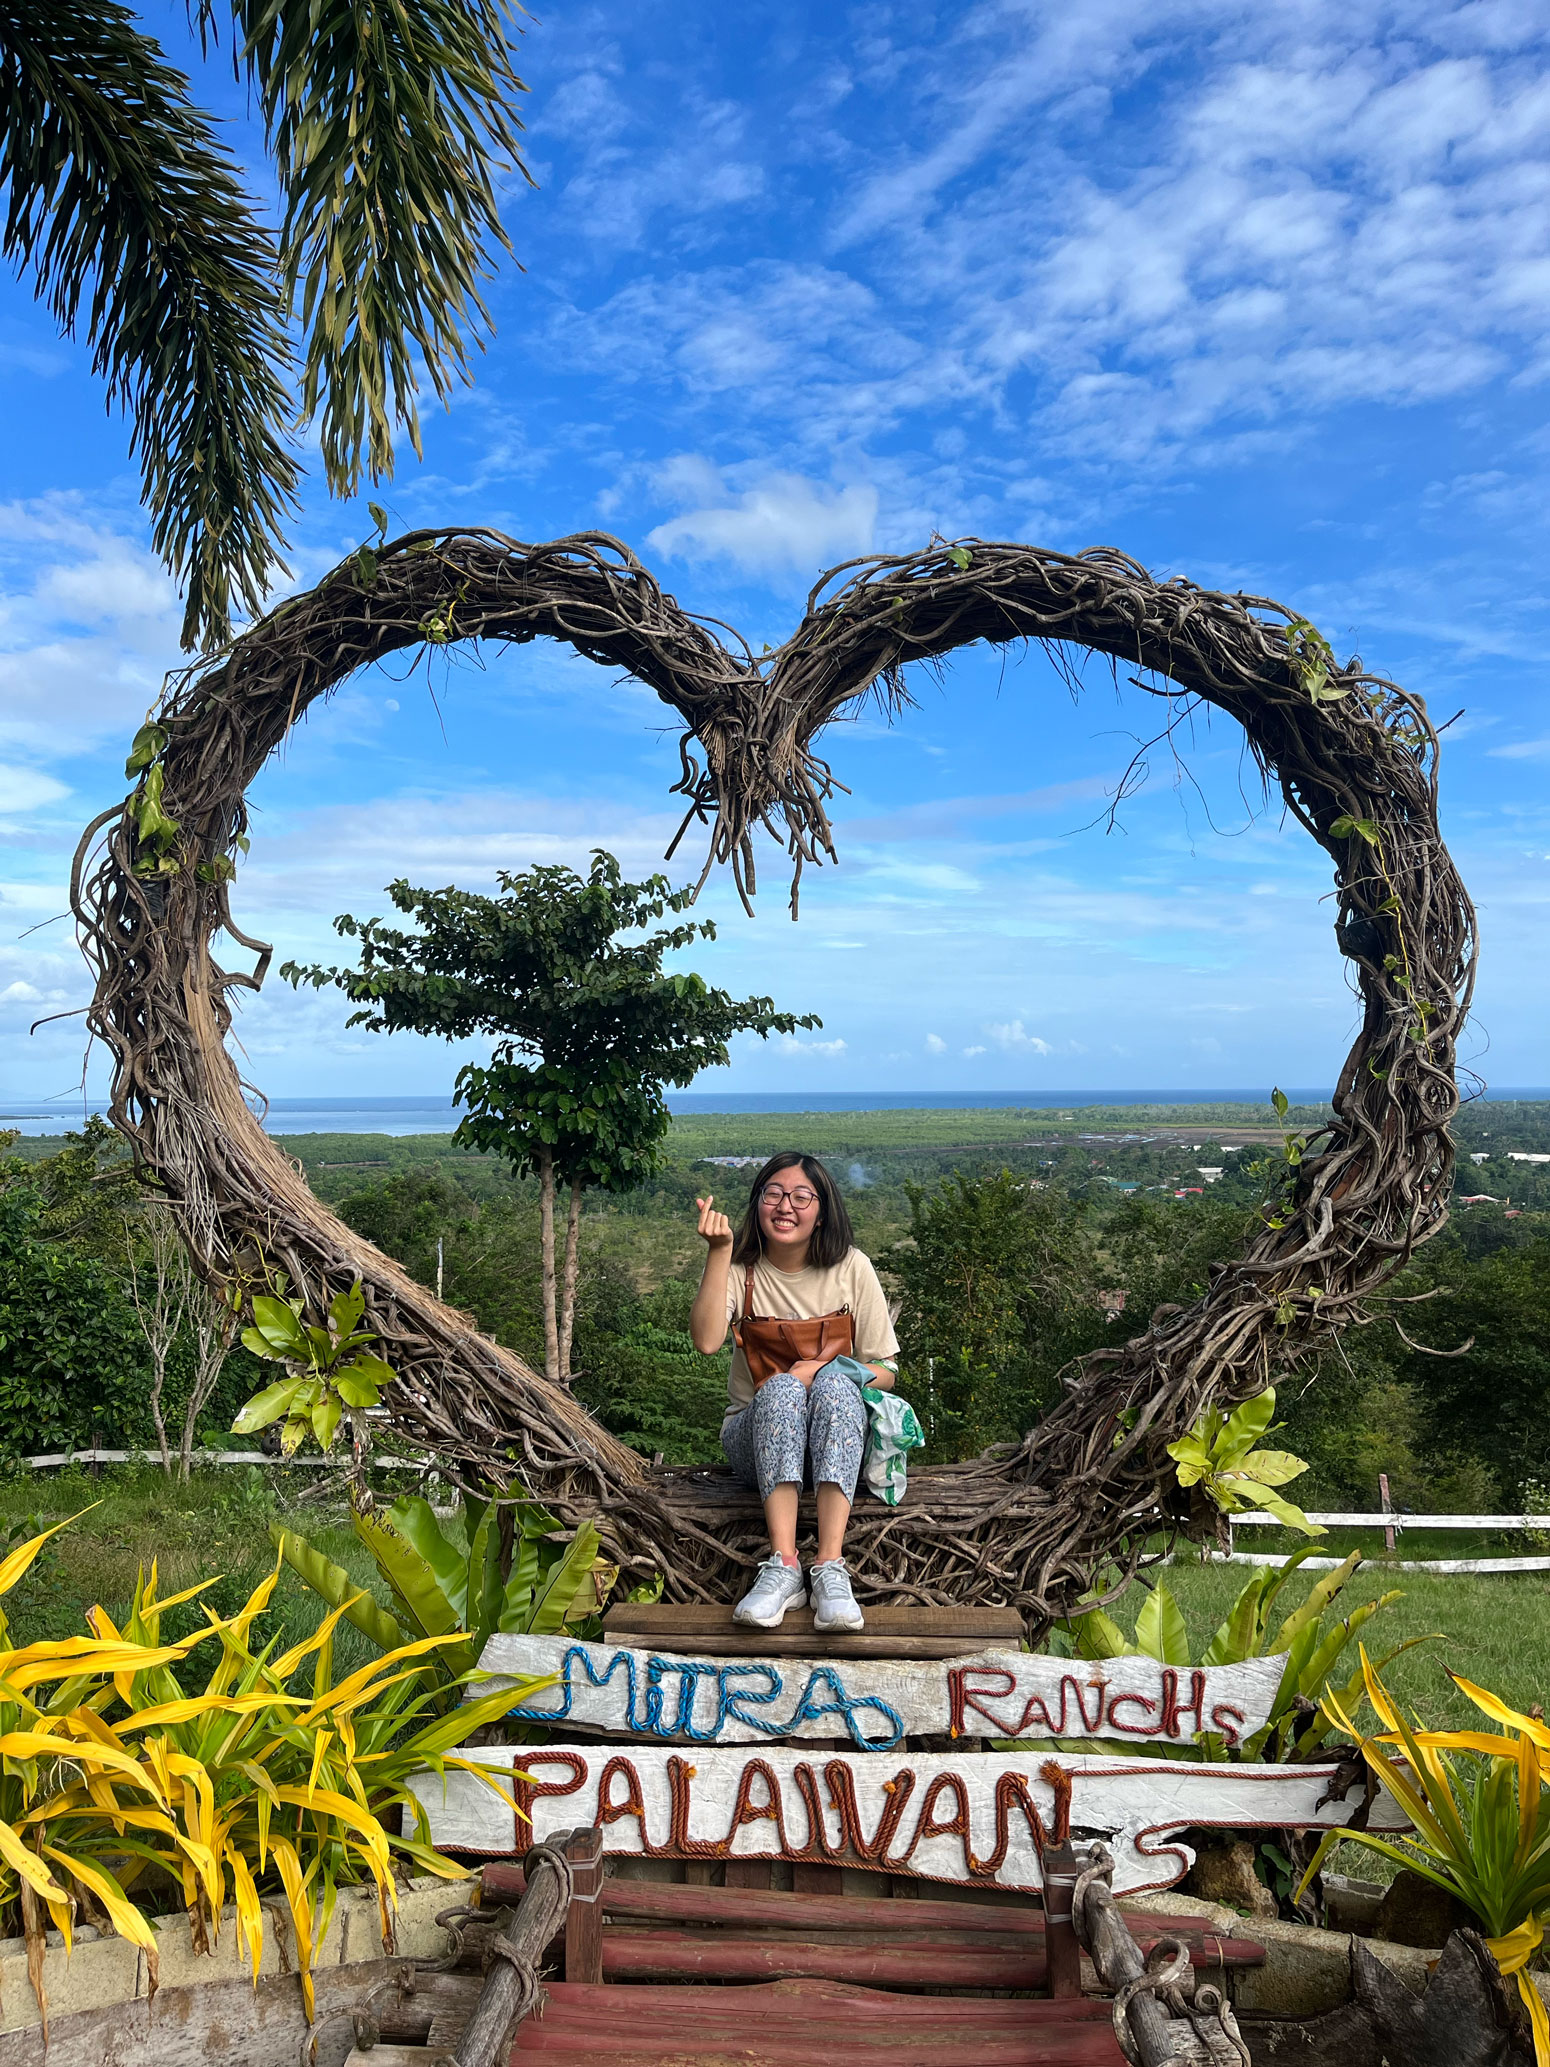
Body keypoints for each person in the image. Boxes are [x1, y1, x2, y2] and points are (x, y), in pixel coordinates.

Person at [690, 1151, 900, 1634]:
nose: (786, 1206)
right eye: (774, 1194)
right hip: (753, 1439)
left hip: (837, 1443)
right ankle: (785, 1566)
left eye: (802, 1196)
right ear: (757, 1203)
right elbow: (705, 1342)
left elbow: (887, 1371)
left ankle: (829, 1567)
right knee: (783, 1390)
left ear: (822, 1210)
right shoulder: (741, 1268)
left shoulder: (851, 1267)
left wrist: (828, 1371)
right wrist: (719, 1250)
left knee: (835, 1384)